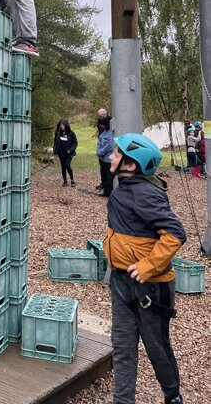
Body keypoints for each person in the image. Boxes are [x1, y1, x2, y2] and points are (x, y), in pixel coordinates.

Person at [104, 133, 186, 404]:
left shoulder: (146, 194)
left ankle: (172, 397)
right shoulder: (123, 190)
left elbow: (175, 234)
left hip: (150, 287)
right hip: (122, 283)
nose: (110, 157)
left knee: (157, 347)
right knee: (123, 347)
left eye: (116, 154)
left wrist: (148, 266)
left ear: (130, 164)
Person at [53, 119, 78, 187]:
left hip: (69, 153)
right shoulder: (58, 133)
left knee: (67, 165)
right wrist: (54, 153)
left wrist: (70, 150)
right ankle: (65, 181)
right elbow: (55, 143)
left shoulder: (71, 133)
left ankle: (72, 180)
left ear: (66, 125)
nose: (62, 126)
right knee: (63, 166)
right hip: (61, 153)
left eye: (63, 125)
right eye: (61, 125)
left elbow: (75, 143)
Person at [96, 109, 114, 197]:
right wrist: (98, 152)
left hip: (107, 158)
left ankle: (109, 193)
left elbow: (109, 145)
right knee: (104, 174)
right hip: (102, 157)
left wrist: (101, 152)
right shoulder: (104, 132)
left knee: (108, 176)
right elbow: (99, 142)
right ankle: (106, 191)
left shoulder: (112, 133)